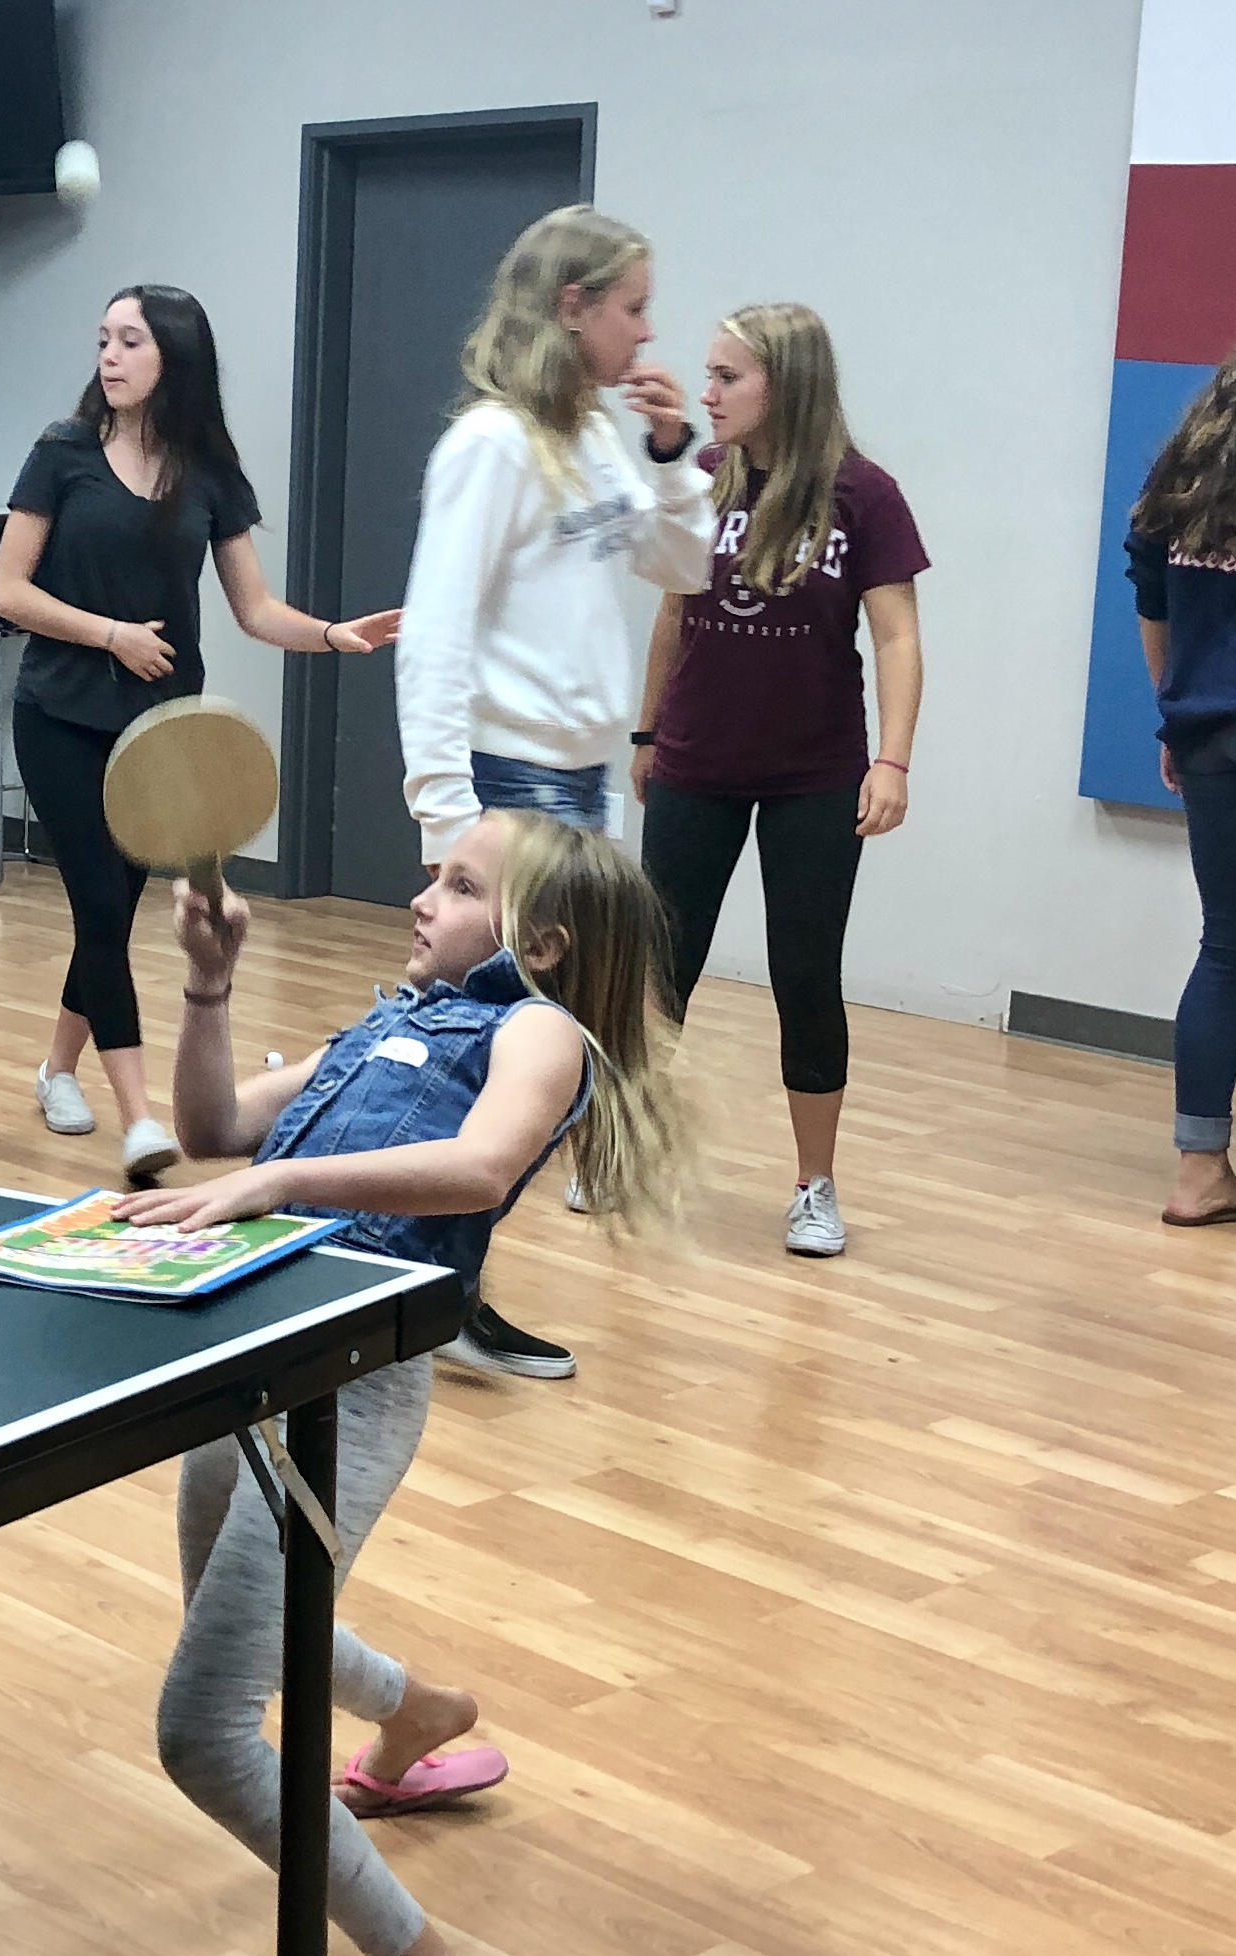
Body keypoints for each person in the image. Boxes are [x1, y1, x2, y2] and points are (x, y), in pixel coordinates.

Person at [113, 809, 685, 1956]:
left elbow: (477, 1167)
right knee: (238, 1632)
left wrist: (279, 1184)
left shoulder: (538, 1032)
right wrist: (208, 984)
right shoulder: (389, 1020)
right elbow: (210, 1125)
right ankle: (422, 1710)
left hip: (347, 1385)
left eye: (459, 883)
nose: (422, 896)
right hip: (244, 1352)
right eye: (432, 873)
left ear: (542, 940)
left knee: (203, 1728)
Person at [395, 203, 716, 1377]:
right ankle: (432, 1289)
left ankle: (443, 1285)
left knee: (554, 1052)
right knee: (492, 1050)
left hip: (578, 782)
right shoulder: (490, 444)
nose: (647, 332)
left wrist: (673, 458)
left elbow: (682, 565)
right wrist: (447, 818)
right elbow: (434, 631)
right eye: (632, 307)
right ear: (572, 307)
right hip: (506, 782)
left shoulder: (592, 434)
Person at [0, 284, 397, 1180]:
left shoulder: (210, 475)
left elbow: (255, 610)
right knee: (101, 908)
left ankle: (58, 1067)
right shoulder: (60, 454)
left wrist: (334, 634)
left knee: (110, 910)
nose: (109, 355)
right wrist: (111, 635)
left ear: (173, 357)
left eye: (130, 341)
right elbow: (7, 591)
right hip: (59, 715)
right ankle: (141, 1121)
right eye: (103, 338)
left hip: (162, 732)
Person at [633, 302, 927, 1258]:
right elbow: (673, 613)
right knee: (660, 967)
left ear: (784, 385)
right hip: (697, 762)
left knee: (804, 974)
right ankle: (623, 1150)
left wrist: (893, 760)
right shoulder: (703, 478)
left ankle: (814, 1186)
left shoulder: (864, 494)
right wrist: (647, 732)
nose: (709, 392)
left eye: (729, 377)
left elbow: (898, 637)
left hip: (816, 772)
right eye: (709, 375)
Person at [1128, 244, 1236, 1231]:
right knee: (1230, 946)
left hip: (1206, 733)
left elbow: (1150, 586)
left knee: (1229, 946)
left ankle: (1200, 1172)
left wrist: (1177, 710)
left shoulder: (1205, 435)